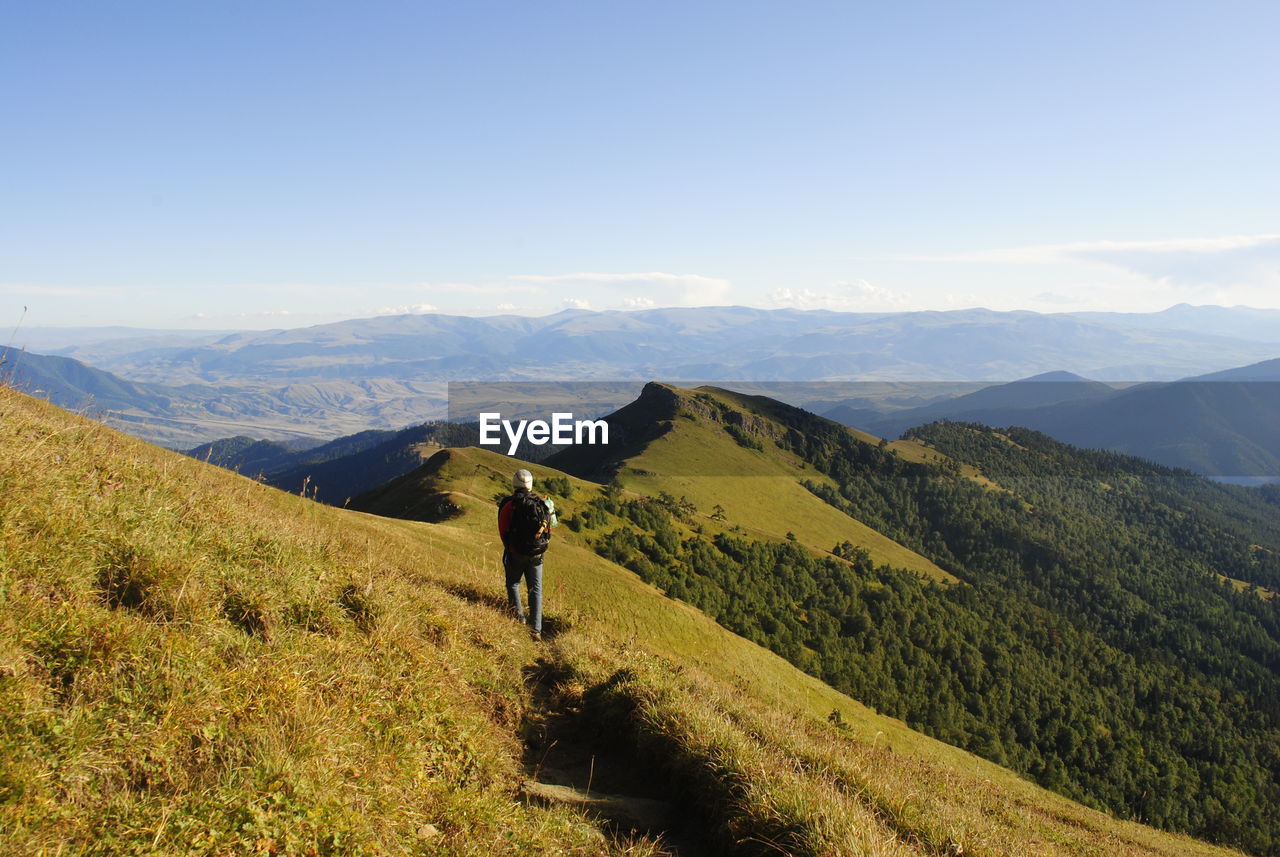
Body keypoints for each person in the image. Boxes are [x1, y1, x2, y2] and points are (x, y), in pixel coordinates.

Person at [497, 469, 557, 641]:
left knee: (513, 584)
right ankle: (536, 629)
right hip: (537, 554)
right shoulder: (542, 503)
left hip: (515, 551)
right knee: (535, 589)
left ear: (514, 484)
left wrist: (509, 547)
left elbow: (503, 529)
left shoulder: (509, 504)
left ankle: (519, 618)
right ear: (530, 484)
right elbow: (550, 528)